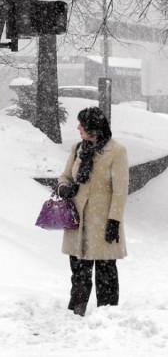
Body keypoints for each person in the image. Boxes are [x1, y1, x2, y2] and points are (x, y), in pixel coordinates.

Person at [57, 107, 129, 317]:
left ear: (93, 128)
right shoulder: (77, 148)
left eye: (82, 125)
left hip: (103, 221)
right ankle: (76, 310)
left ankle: (106, 314)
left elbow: (120, 190)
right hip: (77, 220)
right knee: (79, 270)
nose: (78, 128)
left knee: (106, 270)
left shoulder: (116, 151)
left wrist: (114, 220)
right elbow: (65, 176)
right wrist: (63, 187)